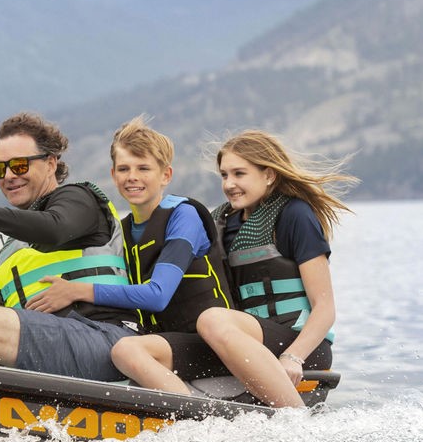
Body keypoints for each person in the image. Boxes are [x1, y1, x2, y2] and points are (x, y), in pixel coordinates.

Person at [110, 130, 359, 407]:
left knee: (212, 320)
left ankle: (297, 420)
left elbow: (325, 308)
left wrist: (293, 357)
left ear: (269, 175)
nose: (229, 184)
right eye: (224, 175)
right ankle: (196, 420)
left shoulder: (294, 215)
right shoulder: (220, 221)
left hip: (298, 344)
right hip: (230, 341)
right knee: (127, 350)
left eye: (239, 174)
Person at [0, 112, 137, 381]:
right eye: (1, 169)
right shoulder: (8, 254)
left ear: (51, 164)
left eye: (20, 165)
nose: (9, 175)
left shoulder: (78, 199)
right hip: (56, 346)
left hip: (106, 340)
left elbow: (54, 228)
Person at [25, 116, 231, 337]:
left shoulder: (184, 216)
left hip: (211, 338)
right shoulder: (121, 232)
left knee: (126, 349)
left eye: (143, 168)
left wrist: (76, 291)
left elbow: (158, 295)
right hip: (160, 341)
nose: (132, 177)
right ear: (113, 176)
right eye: (123, 169)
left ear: (166, 175)